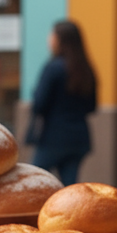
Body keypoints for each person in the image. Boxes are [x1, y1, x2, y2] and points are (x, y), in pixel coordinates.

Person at [29, 20, 99, 187]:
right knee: (70, 186)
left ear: (60, 40)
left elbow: (40, 103)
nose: (49, 39)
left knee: (33, 180)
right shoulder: (86, 69)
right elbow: (92, 107)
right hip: (79, 137)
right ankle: (71, 213)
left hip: (54, 136)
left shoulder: (54, 67)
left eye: (52, 35)